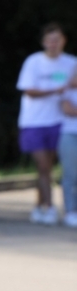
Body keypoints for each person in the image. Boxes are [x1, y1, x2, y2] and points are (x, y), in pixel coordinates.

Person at [14, 23, 75, 225]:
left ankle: (40, 206)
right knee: (43, 166)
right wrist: (55, 91)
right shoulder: (33, 62)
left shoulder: (71, 63)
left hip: (60, 122)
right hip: (34, 121)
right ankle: (49, 207)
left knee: (50, 167)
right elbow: (28, 89)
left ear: (64, 41)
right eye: (50, 40)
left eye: (57, 40)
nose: (53, 44)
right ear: (43, 42)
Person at [61, 82, 77, 228]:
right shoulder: (67, 91)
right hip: (70, 135)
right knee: (70, 175)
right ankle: (70, 212)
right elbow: (68, 110)